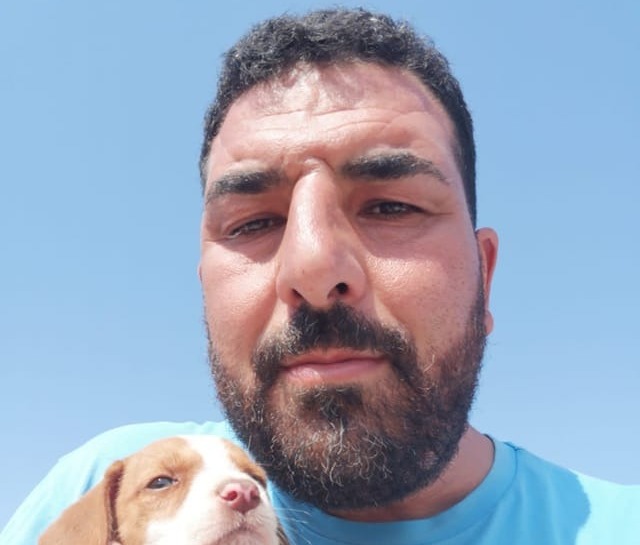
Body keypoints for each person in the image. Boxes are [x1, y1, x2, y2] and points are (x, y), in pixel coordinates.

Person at [2, 8, 638, 545]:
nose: (311, 270)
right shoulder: (89, 486)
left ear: (486, 275)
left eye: (391, 207)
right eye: (253, 223)